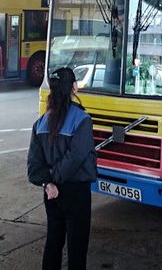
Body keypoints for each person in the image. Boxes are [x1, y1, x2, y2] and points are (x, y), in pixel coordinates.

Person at [27, 67, 97, 270]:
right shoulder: (82, 120)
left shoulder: (40, 123)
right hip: (76, 191)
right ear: (74, 87)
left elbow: (33, 165)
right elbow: (75, 157)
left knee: (53, 242)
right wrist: (55, 180)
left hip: (51, 194)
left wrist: (48, 183)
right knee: (77, 247)